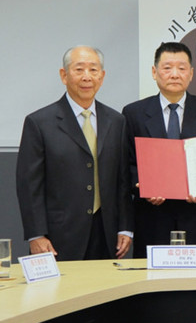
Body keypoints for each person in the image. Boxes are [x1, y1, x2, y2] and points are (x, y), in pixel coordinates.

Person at [16, 46, 133, 261]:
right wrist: (36, 234)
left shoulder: (117, 121)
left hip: (107, 234)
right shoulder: (39, 122)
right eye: (79, 69)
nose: (87, 77)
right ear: (64, 75)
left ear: (102, 76)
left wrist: (125, 228)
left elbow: (123, 180)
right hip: (58, 236)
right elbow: (29, 185)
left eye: (93, 70)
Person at [122, 42, 196, 258]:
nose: (174, 74)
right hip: (152, 217)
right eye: (167, 67)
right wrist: (143, 187)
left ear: (191, 74)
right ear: (154, 72)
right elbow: (126, 163)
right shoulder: (134, 113)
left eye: (181, 68)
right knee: (152, 282)